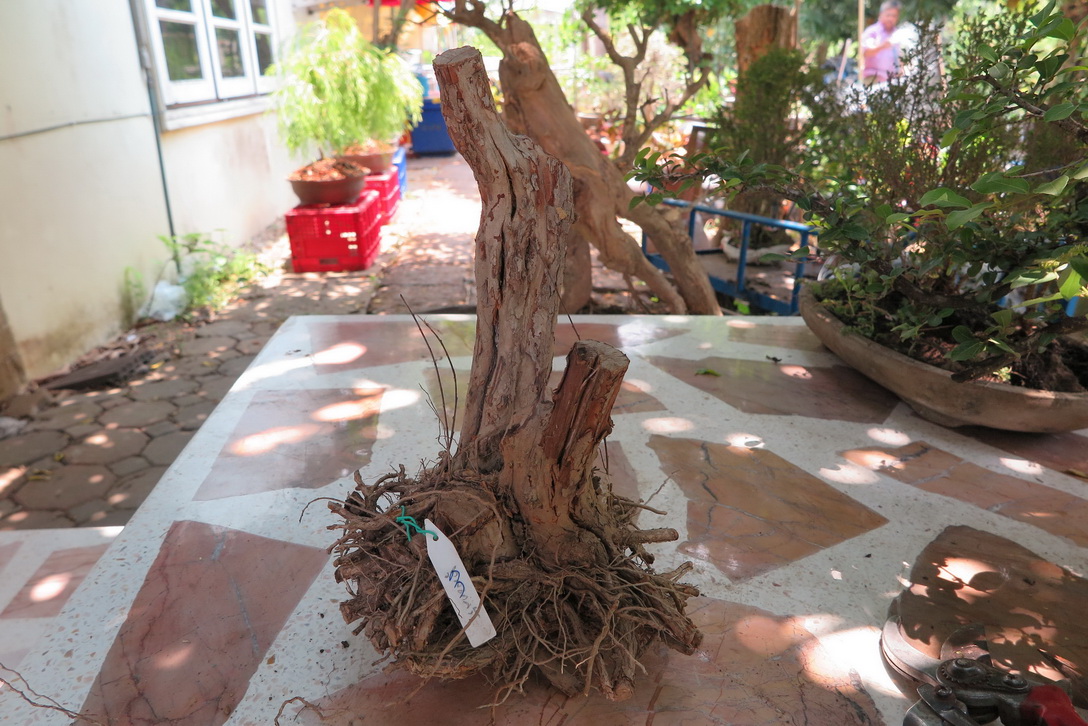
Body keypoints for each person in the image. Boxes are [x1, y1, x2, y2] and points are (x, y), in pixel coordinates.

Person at [861, 0, 902, 85]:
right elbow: (866, 52)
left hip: (893, 80)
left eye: (894, 16)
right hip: (874, 78)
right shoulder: (872, 32)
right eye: (888, 15)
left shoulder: (898, 33)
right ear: (880, 14)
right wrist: (882, 46)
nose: (890, 19)